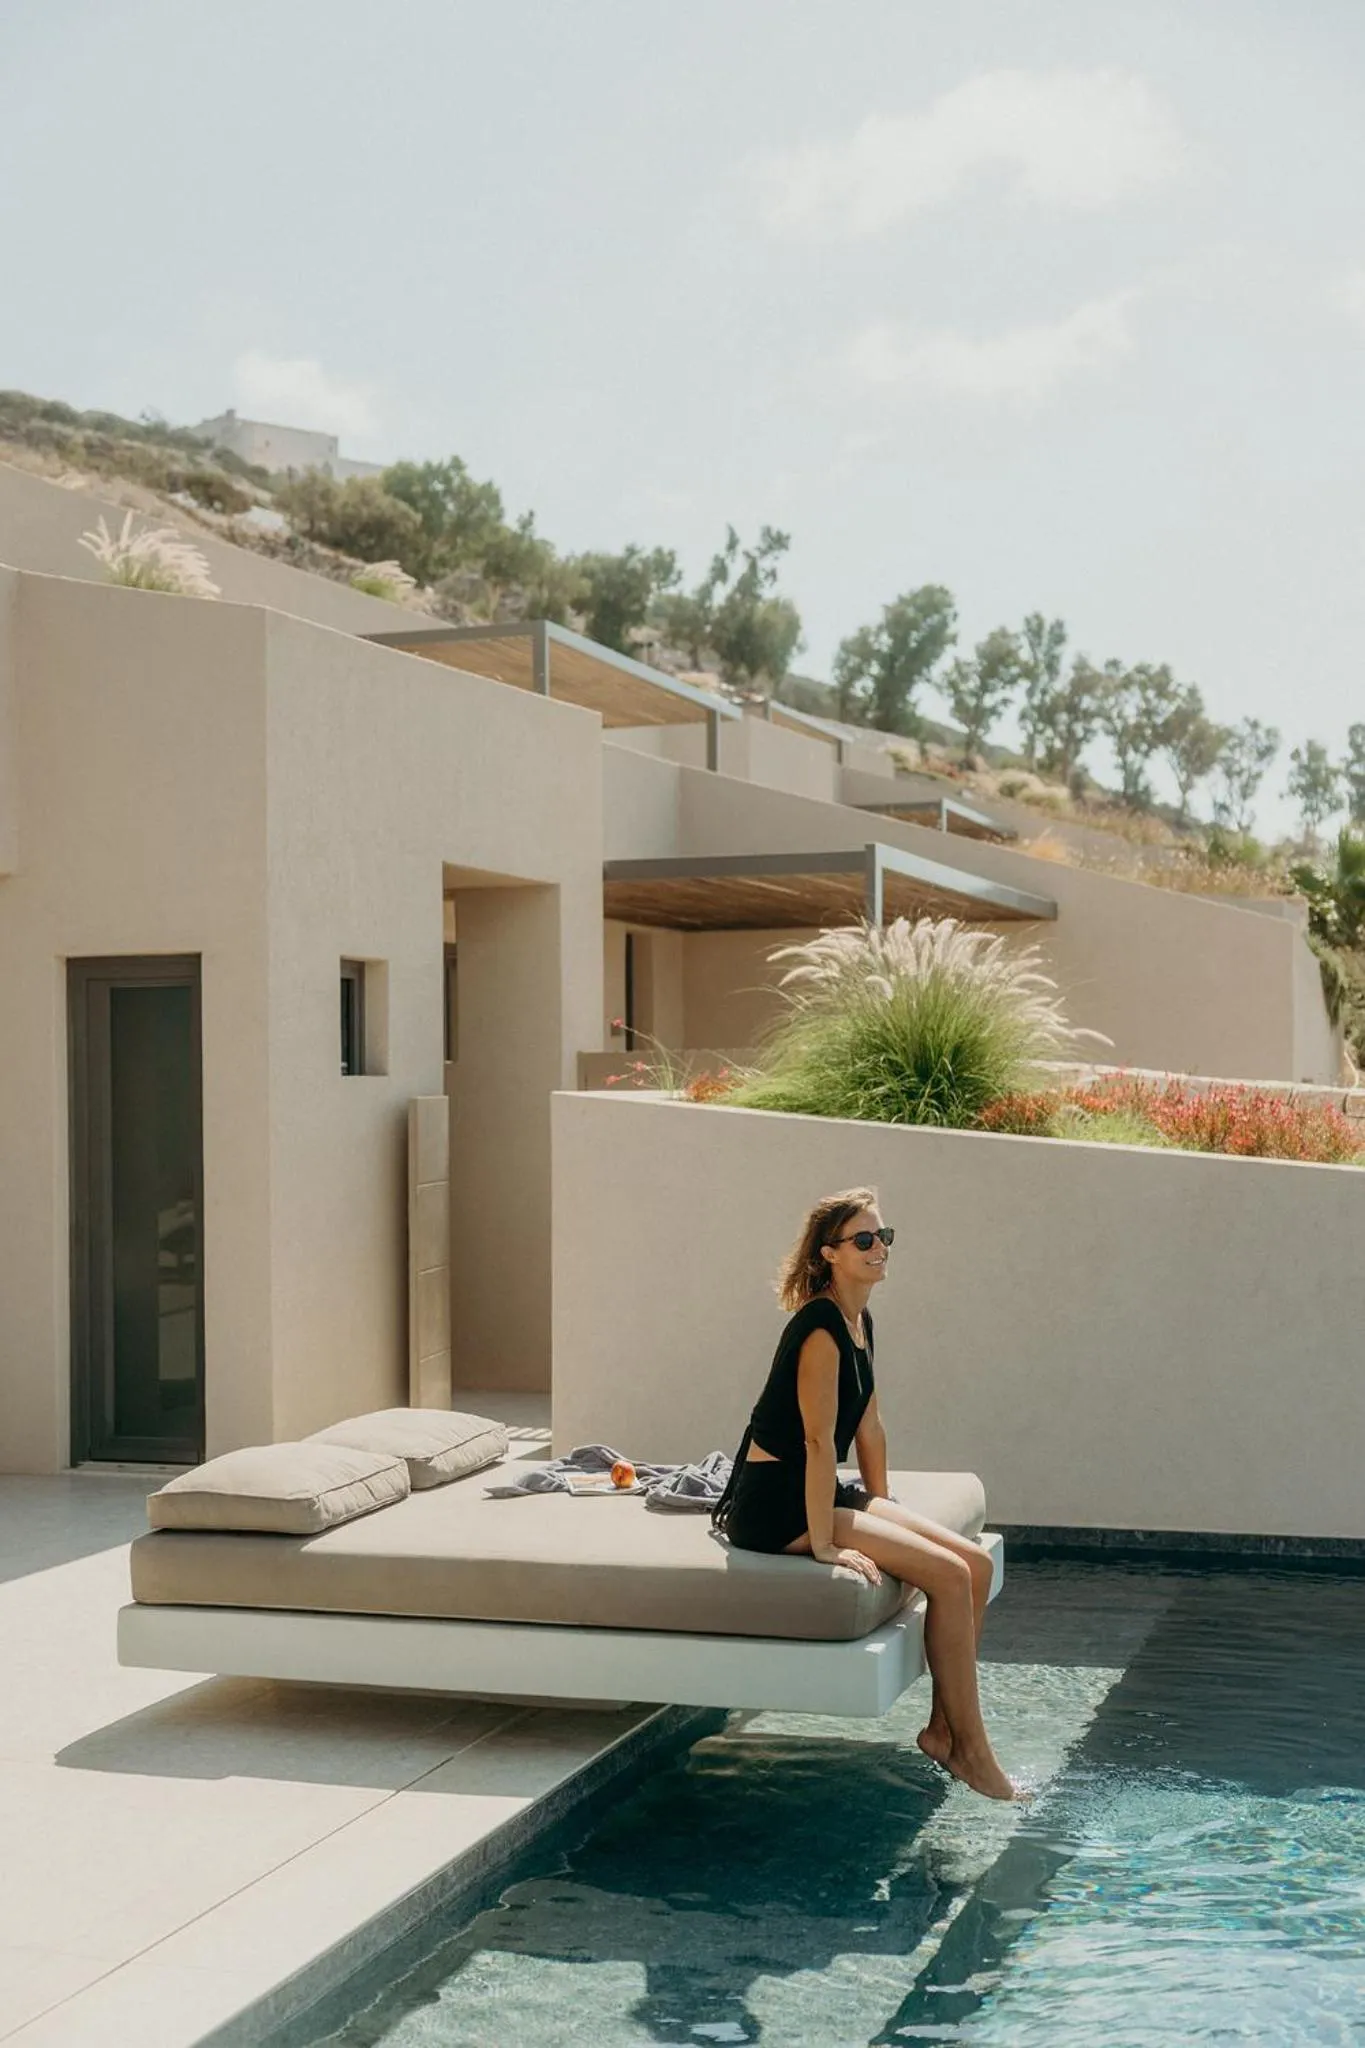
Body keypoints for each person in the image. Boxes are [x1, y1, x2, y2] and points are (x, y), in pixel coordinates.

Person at [713, 1187, 1019, 1802]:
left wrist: (885, 1506)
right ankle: (974, 1750)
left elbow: (870, 1427)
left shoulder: (860, 1321)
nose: (879, 1248)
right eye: (864, 1240)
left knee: (976, 1566)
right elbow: (820, 1443)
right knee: (949, 1578)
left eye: (884, 1237)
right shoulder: (820, 1329)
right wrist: (824, 1545)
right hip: (777, 1507)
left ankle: (942, 1731)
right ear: (830, 1253)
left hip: (824, 1491)